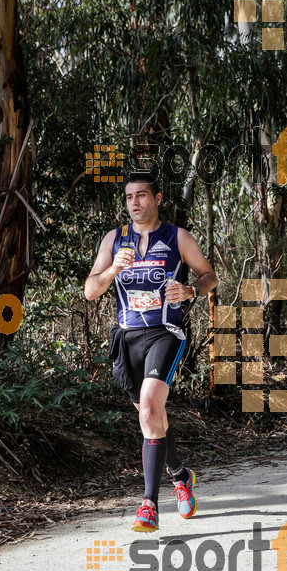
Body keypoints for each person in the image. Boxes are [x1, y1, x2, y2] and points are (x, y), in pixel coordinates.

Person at [84, 174, 218, 532]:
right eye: (129, 197)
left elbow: (209, 276)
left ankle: (149, 506)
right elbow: (90, 291)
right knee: (152, 419)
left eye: (141, 195)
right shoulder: (114, 240)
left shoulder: (177, 237)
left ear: (157, 198)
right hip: (127, 339)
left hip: (165, 333)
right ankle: (180, 475)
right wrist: (113, 268)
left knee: (148, 408)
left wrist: (190, 290)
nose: (135, 202)